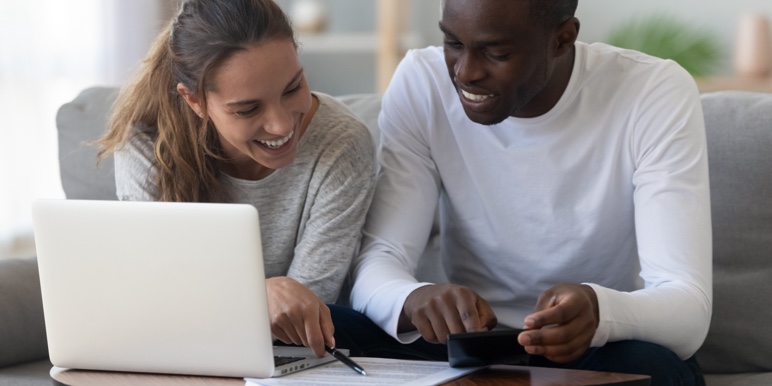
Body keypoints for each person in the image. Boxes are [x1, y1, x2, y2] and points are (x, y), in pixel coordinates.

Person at [349, 0, 711, 384]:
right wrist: (411, 299)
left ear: (563, 39)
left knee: (654, 368)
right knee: (331, 330)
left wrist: (598, 310)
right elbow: (380, 259)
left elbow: (688, 308)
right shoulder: (423, 82)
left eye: (497, 53)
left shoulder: (651, 91)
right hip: (468, 345)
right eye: (452, 43)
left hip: (596, 347)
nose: (465, 72)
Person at [97, 0, 375, 358]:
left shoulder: (340, 143)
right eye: (248, 109)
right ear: (194, 101)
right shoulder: (146, 143)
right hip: (178, 353)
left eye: (293, 88)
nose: (281, 124)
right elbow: (159, 295)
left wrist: (231, 297)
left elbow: (304, 310)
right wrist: (256, 294)